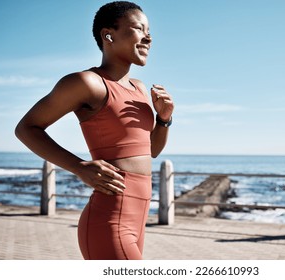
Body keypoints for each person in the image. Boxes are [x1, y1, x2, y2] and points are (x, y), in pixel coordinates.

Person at [15, 1, 174, 260]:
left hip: (139, 220)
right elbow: (26, 128)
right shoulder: (88, 83)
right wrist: (80, 167)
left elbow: (152, 151)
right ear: (108, 34)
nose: (148, 37)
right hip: (109, 221)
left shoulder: (140, 89)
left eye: (150, 31)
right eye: (138, 28)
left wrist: (164, 119)